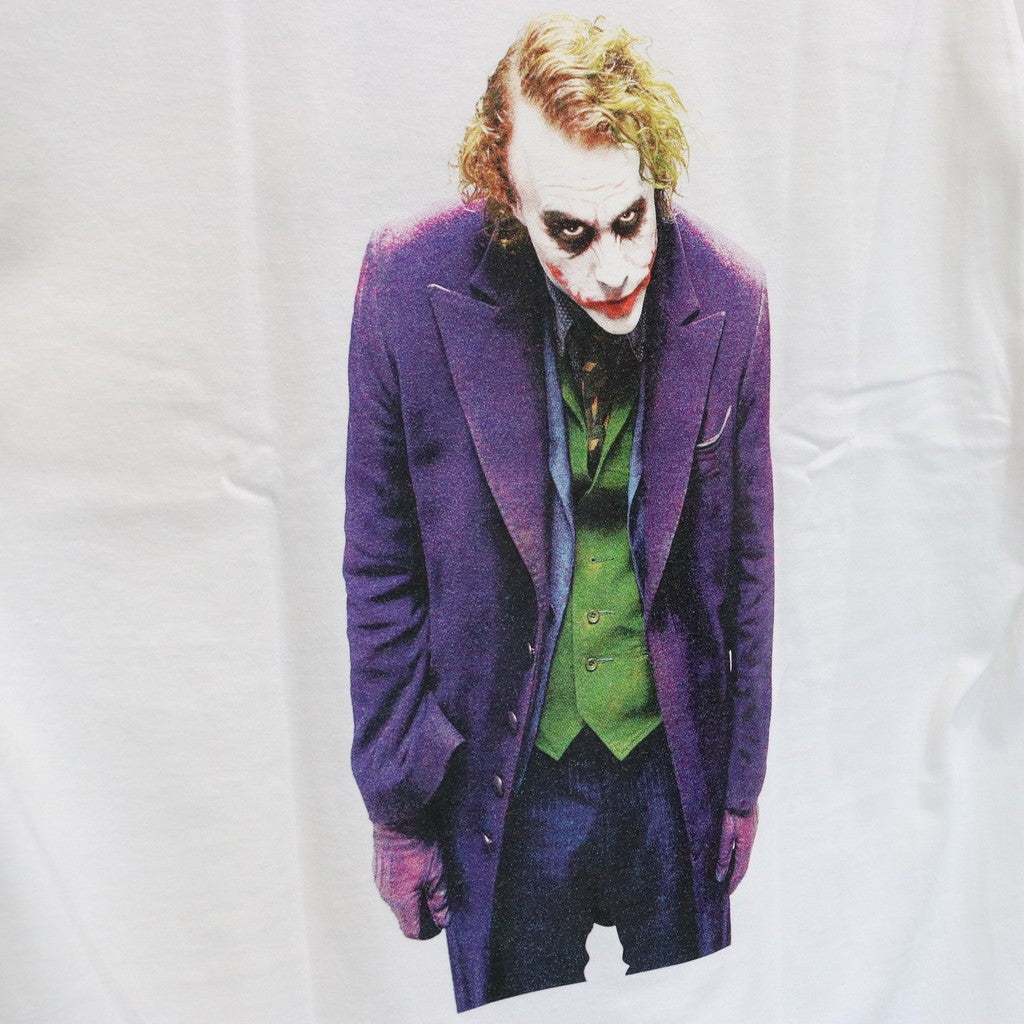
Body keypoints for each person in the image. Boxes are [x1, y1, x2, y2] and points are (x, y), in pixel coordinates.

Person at [344, 14, 773, 1012]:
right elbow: (381, 562)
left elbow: (748, 567)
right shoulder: (406, 283)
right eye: (569, 233)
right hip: (504, 774)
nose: (613, 267)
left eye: (631, 219)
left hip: (671, 771)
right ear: (506, 198)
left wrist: (740, 783)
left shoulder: (732, 296)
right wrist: (397, 808)